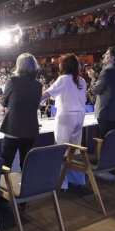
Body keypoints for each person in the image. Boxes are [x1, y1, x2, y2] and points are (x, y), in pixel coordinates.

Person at [42, 54, 87, 189]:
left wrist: (31, 100)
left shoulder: (63, 79)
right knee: (75, 149)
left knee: (60, 149)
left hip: (66, 117)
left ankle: (62, 183)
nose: (59, 65)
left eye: (61, 63)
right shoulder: (81, 80)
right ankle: (78, 180)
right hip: (80, 116)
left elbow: (46, 94)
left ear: (65, 65)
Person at [0, 53, 42, 170]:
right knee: (26, 163)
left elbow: (3, 102)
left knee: (6, 162)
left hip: (14, 127)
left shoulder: (13, 81)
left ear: (19, 65)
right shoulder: (38, 85)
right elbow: (36, 105)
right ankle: (25, 187)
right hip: (30, 128)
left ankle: (4, 187)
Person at [89, 46, 115, 140]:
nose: (104, 56)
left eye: (106, 54)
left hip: (106, 112)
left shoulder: (107, 70)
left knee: (107, 141)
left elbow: (96, 90)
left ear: (112, 57)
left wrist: (93, 78)